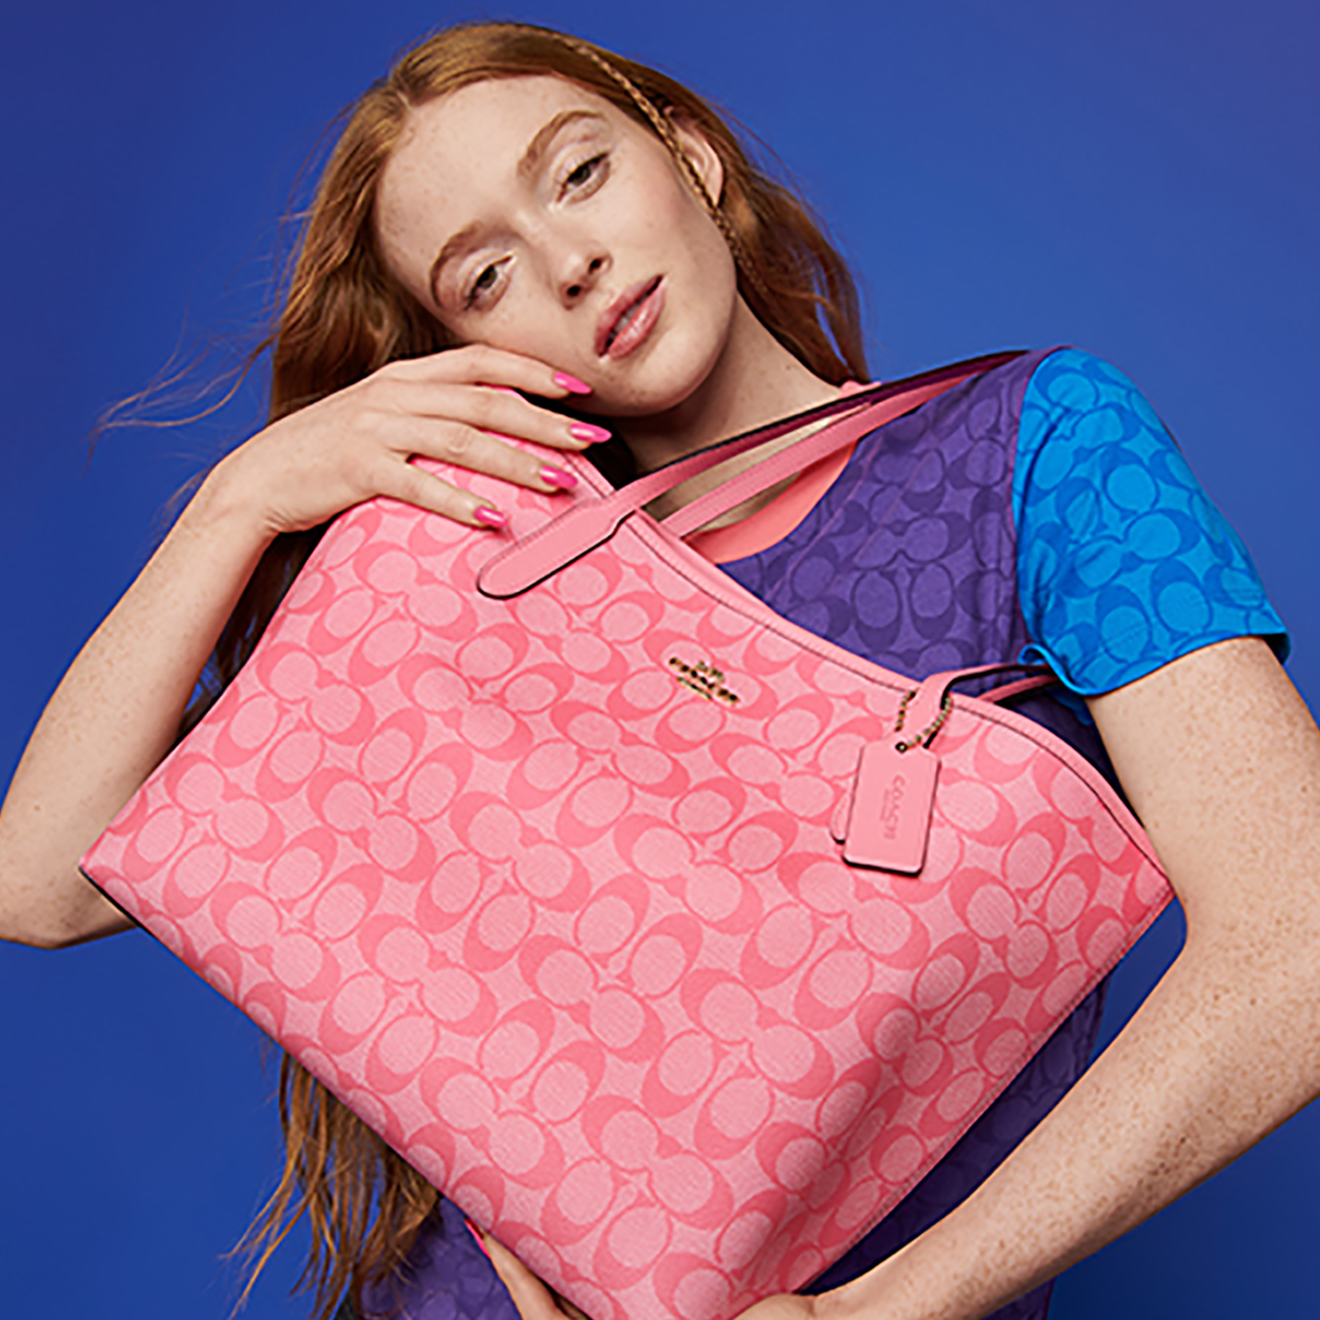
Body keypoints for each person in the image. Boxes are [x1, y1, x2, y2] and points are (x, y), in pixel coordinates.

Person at [1, 18, 1317, 1320]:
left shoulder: (1038, 450)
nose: (568, 262)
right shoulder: (475, 561)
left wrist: (887, 1310)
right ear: (464, 353)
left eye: (578, 172)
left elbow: (1297, 950)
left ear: (691, 157)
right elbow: (41, 879)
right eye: (484, 275)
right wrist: (240, 498)